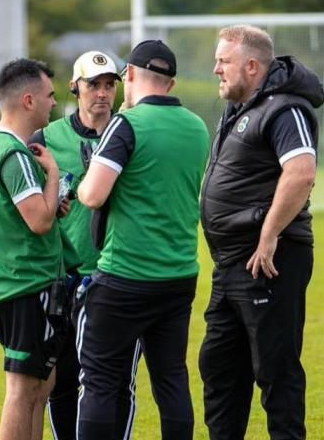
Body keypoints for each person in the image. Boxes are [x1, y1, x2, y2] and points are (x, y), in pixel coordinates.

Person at [75, 40, 210, 440]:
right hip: (179, 275)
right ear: (171, 82)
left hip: (125, 275)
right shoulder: (197, 125)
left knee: (100, 380)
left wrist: (85, 179)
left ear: (129, 76)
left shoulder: (127, 123)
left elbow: (93, 195)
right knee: (171, 381)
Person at [198, 25, 324, 440]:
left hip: (269, 261)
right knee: (219, 369)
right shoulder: (238, 108)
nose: (216, 69)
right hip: (231, 264)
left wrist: (269, 235)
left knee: (276, 371)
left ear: (252, 66)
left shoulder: (285, 109)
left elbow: (302, 171)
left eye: (224, 61)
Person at [29, 51, 140, 440]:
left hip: (117, 276)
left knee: (117, 380)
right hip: (65, 279)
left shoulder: (130, 131)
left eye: (110, 85)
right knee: (64, 381)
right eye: (94, 84)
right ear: (75, 87)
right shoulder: (47, 139)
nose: (103, 93)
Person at [0, 58, 63, 440]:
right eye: (49, 96)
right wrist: (53, 174)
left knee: (42, 385)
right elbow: (40, 220)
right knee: (23, 390)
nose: (54, 104)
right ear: (28, 100)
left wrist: (52, 198)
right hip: (25, 284)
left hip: (6, 283)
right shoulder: (15, 155)